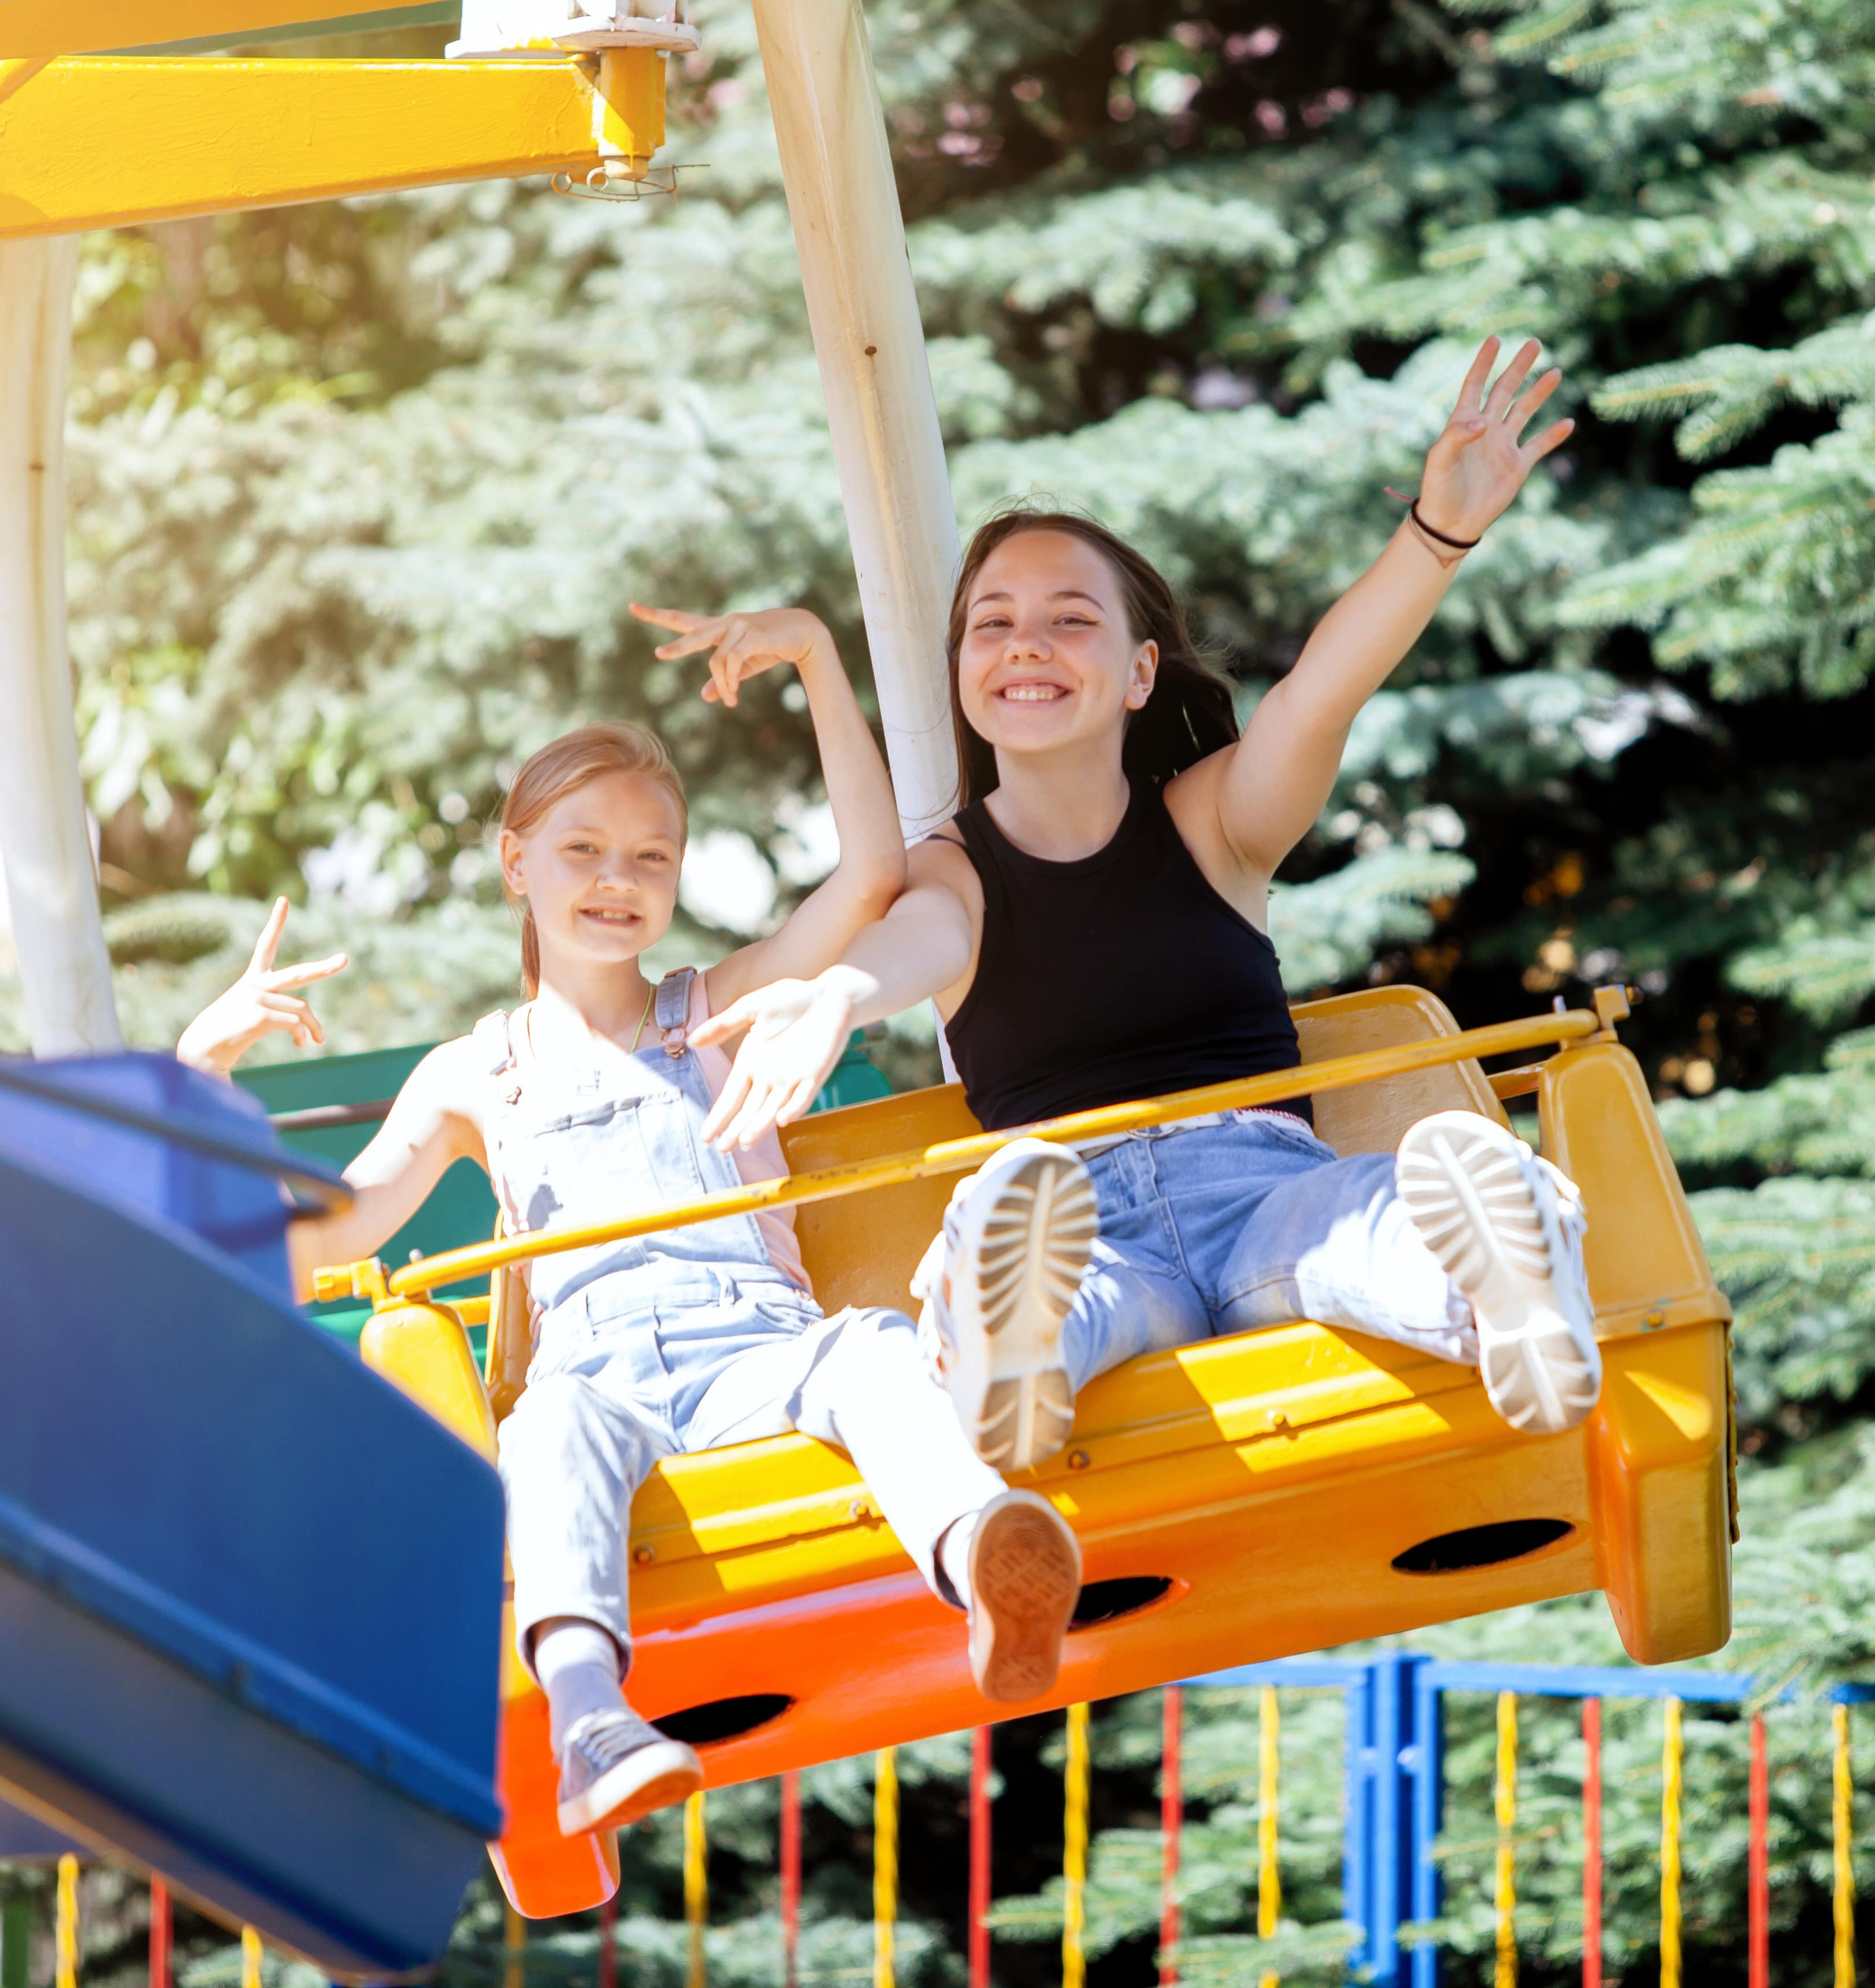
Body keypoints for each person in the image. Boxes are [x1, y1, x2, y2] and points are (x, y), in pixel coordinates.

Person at [177, 605, 1092, 1837]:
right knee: (545, 1424)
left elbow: (875, 872)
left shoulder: (711, 1007)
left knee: (870, 1350)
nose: (618, 879)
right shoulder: (473, 1071)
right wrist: (202, 1079)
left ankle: (986, 1556)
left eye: (651, 859)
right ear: (516, 862)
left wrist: (818, 657)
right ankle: (590, 1720)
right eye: (582, 849)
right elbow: (325, 1233)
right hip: (597, 1367)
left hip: (755, 1344)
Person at [683, 337, 1602, 1467]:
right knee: (1081, 1297)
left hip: (1257, 1179)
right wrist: (832, 992)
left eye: (1069, 617)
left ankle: (1489, 1276)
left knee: (1346, 1231)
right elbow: (914, 944)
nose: (1023, 638)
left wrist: (1435, 533)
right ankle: (1000, 1335)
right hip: (1073, 1214)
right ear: (967, 682)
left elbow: (1319, 692)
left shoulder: (1213, 822)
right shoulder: (953, 868)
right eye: (991, 622)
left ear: (1136, 672)